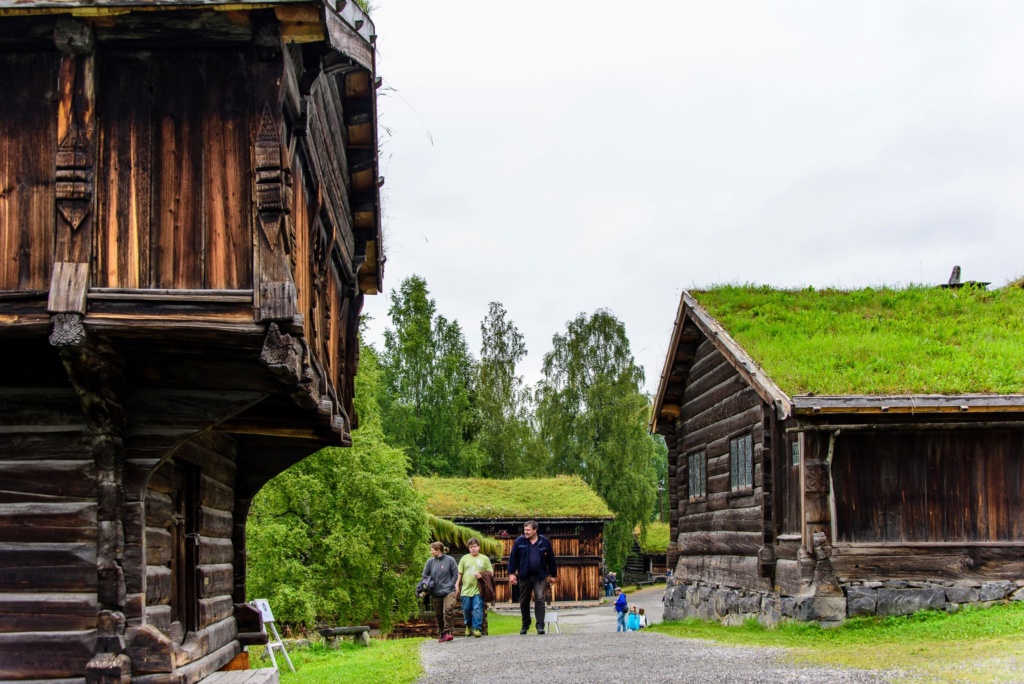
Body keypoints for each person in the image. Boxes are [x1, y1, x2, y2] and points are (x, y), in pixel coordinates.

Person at [507, 520, 557, 635]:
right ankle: (525, 624)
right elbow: (513, 558)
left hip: (540, 576)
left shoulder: (544, 542)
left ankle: (540, 625)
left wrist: (553, 575)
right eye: (525, 530)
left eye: (528, 530)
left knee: (540, 598)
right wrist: (511, 573)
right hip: (524, 576)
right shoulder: (519, 542)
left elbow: (551, 559)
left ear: (535, 530)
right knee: (524, 600)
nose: (526, 532)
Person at [422, 541, 458, 642]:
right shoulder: (430, 562)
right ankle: (441, 633)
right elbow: (425, 575)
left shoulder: (450, 560)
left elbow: (455, 574)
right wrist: (429, 584)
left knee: (447, 610)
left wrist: (450, 585)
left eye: (432, 550)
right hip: (435, 591)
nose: (431, 551)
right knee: (438, 614)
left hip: (449, 591)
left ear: (438, 550)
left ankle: (448, 632)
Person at [456, 537, 492, 638]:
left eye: (475, 546)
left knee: (477, 608)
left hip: (478, 588)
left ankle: (477, 629)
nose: (473, 549)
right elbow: (460, 572)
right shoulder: (464, 558)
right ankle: (468, 625)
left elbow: (490, 572)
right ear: (469, 548)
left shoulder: (484, 559)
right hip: (466, 589)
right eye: (471, 547)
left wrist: (482, 575)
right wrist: (457, 585)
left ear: (479, 547)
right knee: (466, 609)